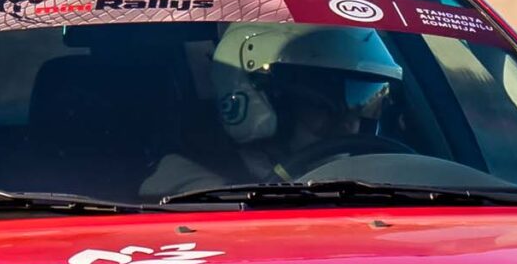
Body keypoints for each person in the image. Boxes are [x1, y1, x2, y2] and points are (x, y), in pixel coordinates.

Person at [143, 23, 405, 197]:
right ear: (252, 97)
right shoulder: (185, 187)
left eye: (362, 103)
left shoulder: (382, 182)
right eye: (323, 106)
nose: (351, 125)